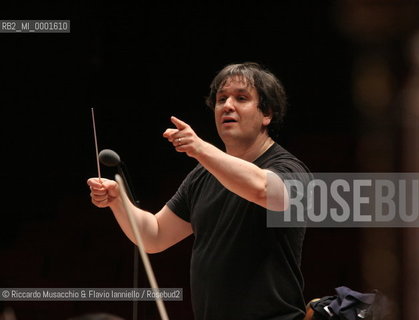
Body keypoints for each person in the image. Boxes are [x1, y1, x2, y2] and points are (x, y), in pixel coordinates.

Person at [87, 62, 310, 320]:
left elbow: (264, 190)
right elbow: (155, 236)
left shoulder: (289, 167)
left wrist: (200, 149)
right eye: (221, 99)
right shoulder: (202, 176)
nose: (227, 105)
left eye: (241, 98)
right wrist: (118, 200)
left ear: (267, 113)